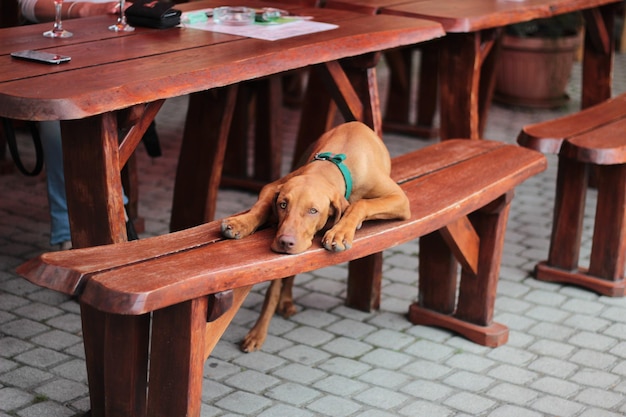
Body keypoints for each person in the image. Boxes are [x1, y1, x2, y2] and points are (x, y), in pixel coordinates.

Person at [18, 0, 134, 250]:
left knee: (131, 101)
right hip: (54, 47)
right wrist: (83, 10)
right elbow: (27, 6)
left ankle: (112, 211)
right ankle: (72, 228)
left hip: (118, 45)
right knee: (62, 113)